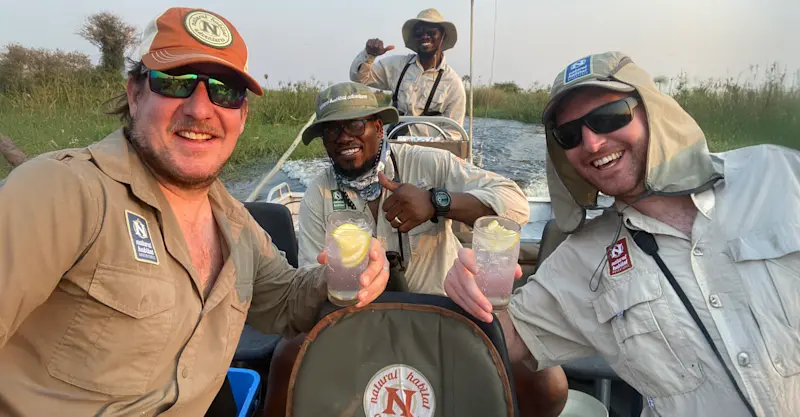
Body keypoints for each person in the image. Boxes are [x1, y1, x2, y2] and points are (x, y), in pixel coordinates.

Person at [0, 8, 389, 417]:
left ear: (241, 116)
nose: (200, 110)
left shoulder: (237, 226)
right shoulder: (61, 193)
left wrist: (344, 276)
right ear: (135, 94)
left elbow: (287, 301)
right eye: (176, 82)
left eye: (225, 91)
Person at [443, 51, 800, 417]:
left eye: (608, 117)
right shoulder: (582, 259)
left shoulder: (782, 176)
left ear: (653, 111)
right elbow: (511, 336)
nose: (592, 144)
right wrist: (475, 292)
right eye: (569, 135)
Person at [260, 81, 569, 417]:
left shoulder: (428, 164)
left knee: (547, 384)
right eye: (330, 130)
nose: (343, 137)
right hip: (360, 322)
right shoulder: (319, 193)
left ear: (378, 127)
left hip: (446, 318)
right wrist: (337, 272)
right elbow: (309, 277)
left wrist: (437, 202)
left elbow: (516, 203)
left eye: (354, 124)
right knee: (287, 358)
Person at [350, 8, 467, 140]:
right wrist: (369, 55)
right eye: (419, 32)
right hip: (393, 146)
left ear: (443, 36)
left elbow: (453, 134)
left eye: (431, 32)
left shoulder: (453, 83)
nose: (425, 36)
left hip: (431, 152)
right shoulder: (397, 66)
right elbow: (359, 78)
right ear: (414, 37)